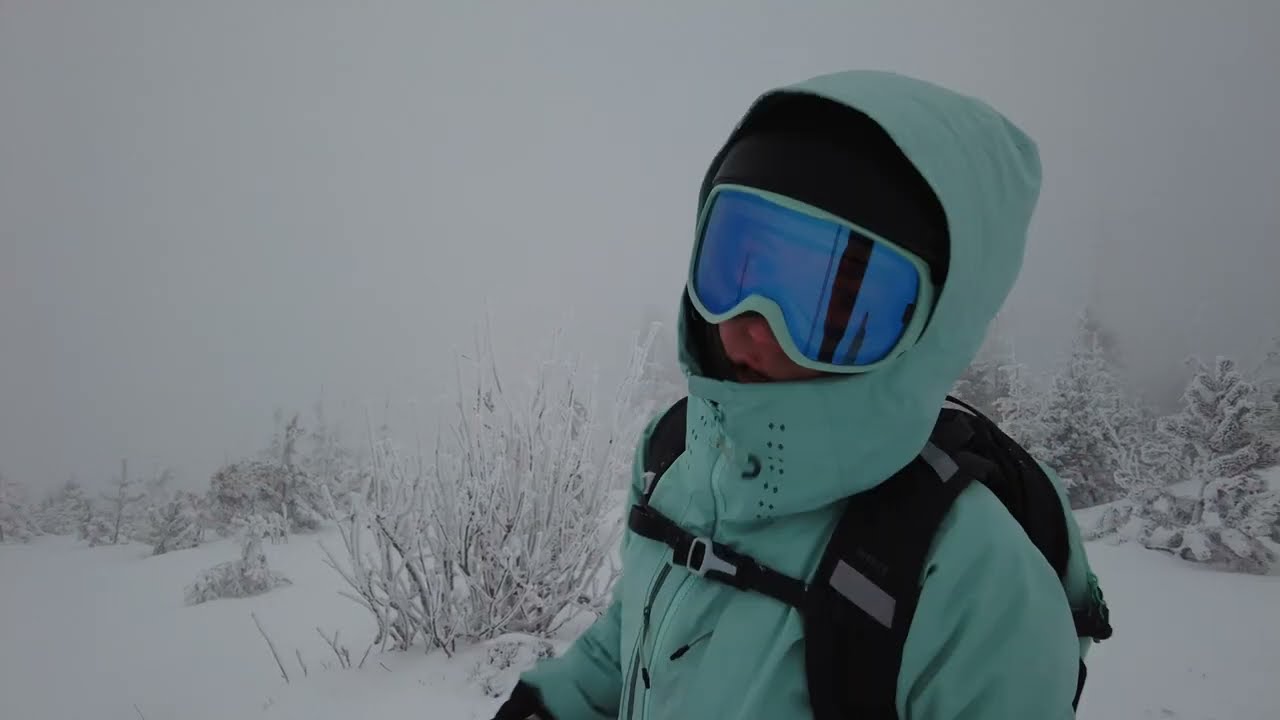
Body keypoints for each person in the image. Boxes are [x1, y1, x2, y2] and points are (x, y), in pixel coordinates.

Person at [490, 68, 1109, 720]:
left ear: (934, 329)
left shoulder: (972, 585)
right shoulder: (676, 456)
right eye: (740, 266)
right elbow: (632, 643)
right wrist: (553, 705)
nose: (750, 331)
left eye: (831, 305)